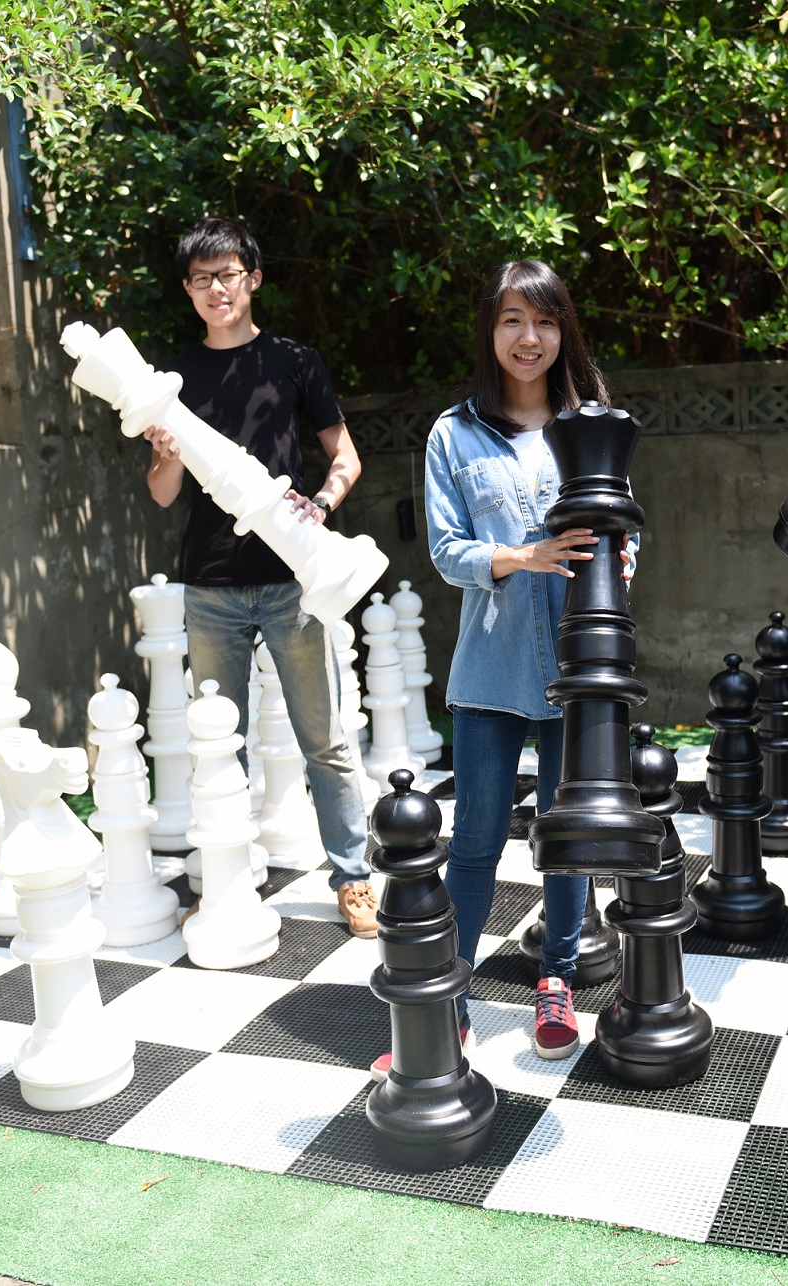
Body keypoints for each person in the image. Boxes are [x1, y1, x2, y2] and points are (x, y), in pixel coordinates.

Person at [400, 259, 635, 1078]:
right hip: (490, 669)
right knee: (474, 840)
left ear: (563, 329)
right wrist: (524, 554)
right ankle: (449, 997)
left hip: (580, 670)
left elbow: (623, 528)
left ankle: (556, 983)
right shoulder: (453, 432)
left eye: (543, 320)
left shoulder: (594, 423)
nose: (528, 338)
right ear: (490, 331)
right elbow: (446, 551)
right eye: (511, 320)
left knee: (568, 839)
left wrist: (625, 560)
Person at [143, 216, 377, 937]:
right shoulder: (173, 378)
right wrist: (166, 452)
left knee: (324, 739)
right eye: (201, 279)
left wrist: (323, 503)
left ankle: (354, 877)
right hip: (209, 586)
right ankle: (224, 881)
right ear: (188, 289)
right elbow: (162, 494)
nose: (216, 289)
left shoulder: (295, 362)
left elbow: (345, 458)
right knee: (220, 747)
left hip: (292, 579)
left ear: (254, 279)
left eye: (228, 274)